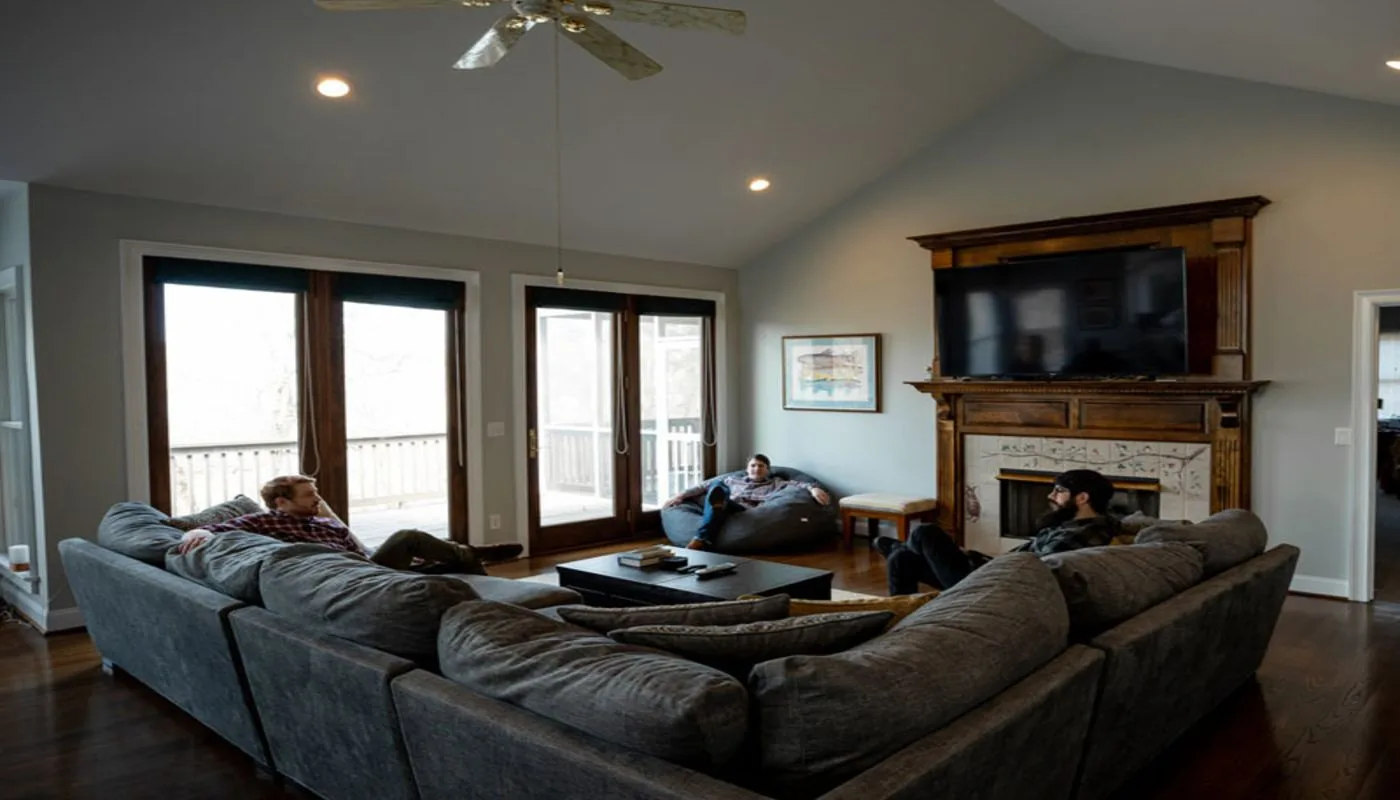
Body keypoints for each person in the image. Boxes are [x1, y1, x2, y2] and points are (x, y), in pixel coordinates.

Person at [174, 474, 522, 575]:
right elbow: (218, 529)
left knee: (450, 559)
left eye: (316, 493)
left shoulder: (323, 522)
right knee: (408, 536)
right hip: (355, 574)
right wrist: (198, 529)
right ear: (281, 502)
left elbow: (360, 549)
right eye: (309, 495)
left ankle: (474, 568)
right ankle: (472, 552)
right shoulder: (265, 521)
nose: (317, 499)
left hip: (367, 563)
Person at [876, 469, 1122, 595]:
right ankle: (902, 620)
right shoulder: (1075, 525)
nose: (1051, 496)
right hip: (993, 573)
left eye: (1059, 491)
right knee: (901, 559)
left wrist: (978, 564)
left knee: (925, 532)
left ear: (1082, 498)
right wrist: (973, 557)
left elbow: (1028, 570)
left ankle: (901, 546)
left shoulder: (1077, 536)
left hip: (992, 587)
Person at [662, 454, 830, 550]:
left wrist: (814, 489)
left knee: (717, 499)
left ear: (768, 470)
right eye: (753, 466)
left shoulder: (777, 482)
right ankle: (715, 509)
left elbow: (800, 484)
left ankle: (702, 537)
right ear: (747, 469)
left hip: (744, 511)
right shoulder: (732, 480)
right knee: (717, 487)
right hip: (726, 503)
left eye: (761, 466)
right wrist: (680, 496)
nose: (757, 469)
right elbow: (701, 486)